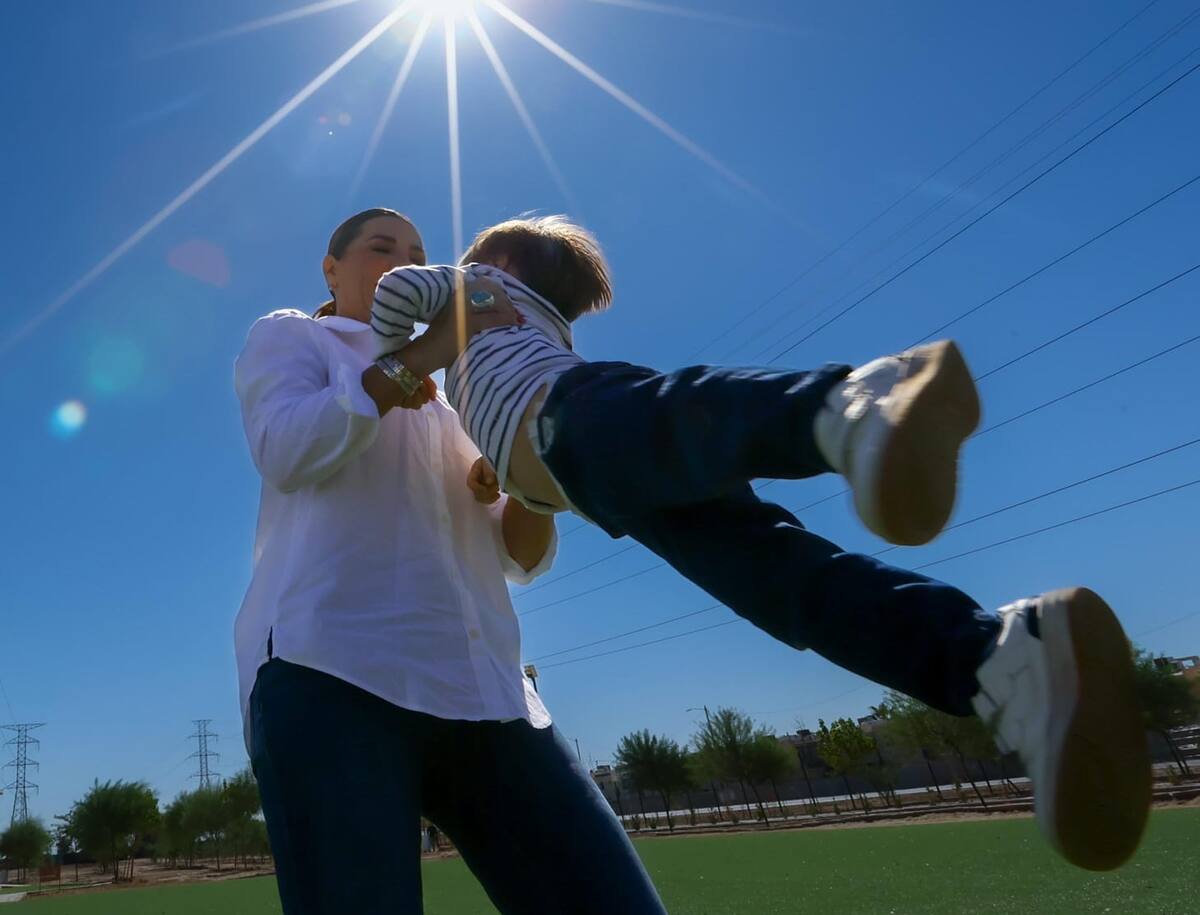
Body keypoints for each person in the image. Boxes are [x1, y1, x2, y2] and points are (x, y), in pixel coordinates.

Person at [368, 215, 1152, 872]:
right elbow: (523, 456)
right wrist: (508, 481)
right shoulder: (540, 326)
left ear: (498, 264)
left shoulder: (477, 287)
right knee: (785, 581)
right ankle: (1001, 658)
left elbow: (400, 293)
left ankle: (854, 400)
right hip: (590, 468)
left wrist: (387, 347)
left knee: (692, 431)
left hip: (572, 421)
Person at [234, 208, 669, 914]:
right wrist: (419, 358)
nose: (402, 263)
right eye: (380, 248)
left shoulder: (462, 394)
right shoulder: (295, 336)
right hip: (333, 675)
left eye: (416, 253)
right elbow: (287, 449)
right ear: (331, 269)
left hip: (487, 690)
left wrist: (530, 484)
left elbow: (517, 556)